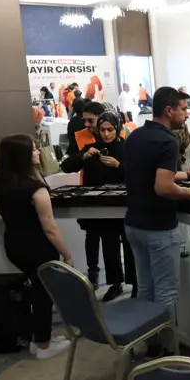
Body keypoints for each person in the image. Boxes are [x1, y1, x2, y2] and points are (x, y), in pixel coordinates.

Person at [124, 87, 190, 355]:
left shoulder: (135, 135)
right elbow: (162, 187)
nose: (186, 114)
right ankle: (169, 353)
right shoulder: (167, 141)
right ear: (169, 110)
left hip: (134, 224)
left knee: (145, 287)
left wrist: (189, 176)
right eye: (183, 109)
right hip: (158, 227)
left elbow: (152, 175)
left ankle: (149, 345)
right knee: (166, 291)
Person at [0, 135, 74, 359]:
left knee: (35, 291)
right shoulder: (35, 189)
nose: (38, 152)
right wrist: (67, 254)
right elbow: (50, 228)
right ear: (22, 156)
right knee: (43, 294)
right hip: (38, 248)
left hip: (14, 245)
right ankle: (43, 345)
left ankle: (37, 338)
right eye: (33, 150)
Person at [61, 112, 136, 301]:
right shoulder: (92, 148)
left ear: (117, 129)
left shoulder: (127, 148)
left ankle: (135, 284)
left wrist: (119, 165)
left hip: (125, 206)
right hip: (102, 207)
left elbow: (138, 174)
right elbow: (67, 166)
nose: (106, 134)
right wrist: (84, 156)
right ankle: (115, 283)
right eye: (102, 130)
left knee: (130, 245)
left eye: (110, 130)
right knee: (109, 245)